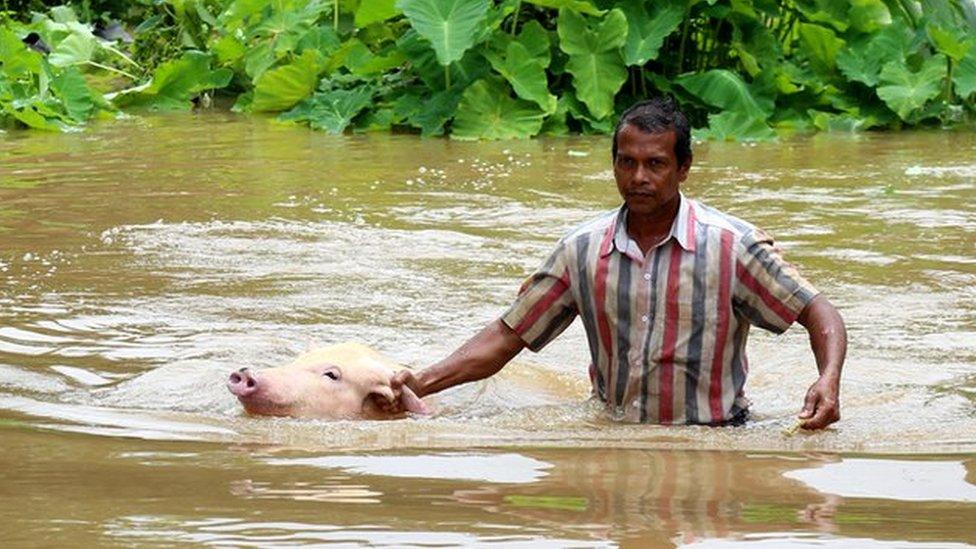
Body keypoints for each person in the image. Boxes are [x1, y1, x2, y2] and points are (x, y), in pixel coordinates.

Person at [390, 96, 846, 429]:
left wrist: (828, 380)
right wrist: (420, 384)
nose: (639, 177)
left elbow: (817, 311)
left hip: (714, 436)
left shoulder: (732, 248)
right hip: (613, 436)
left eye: (655, 164)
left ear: (684, 167)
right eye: (626, 163)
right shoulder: (582, 250)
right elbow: (508, 335)